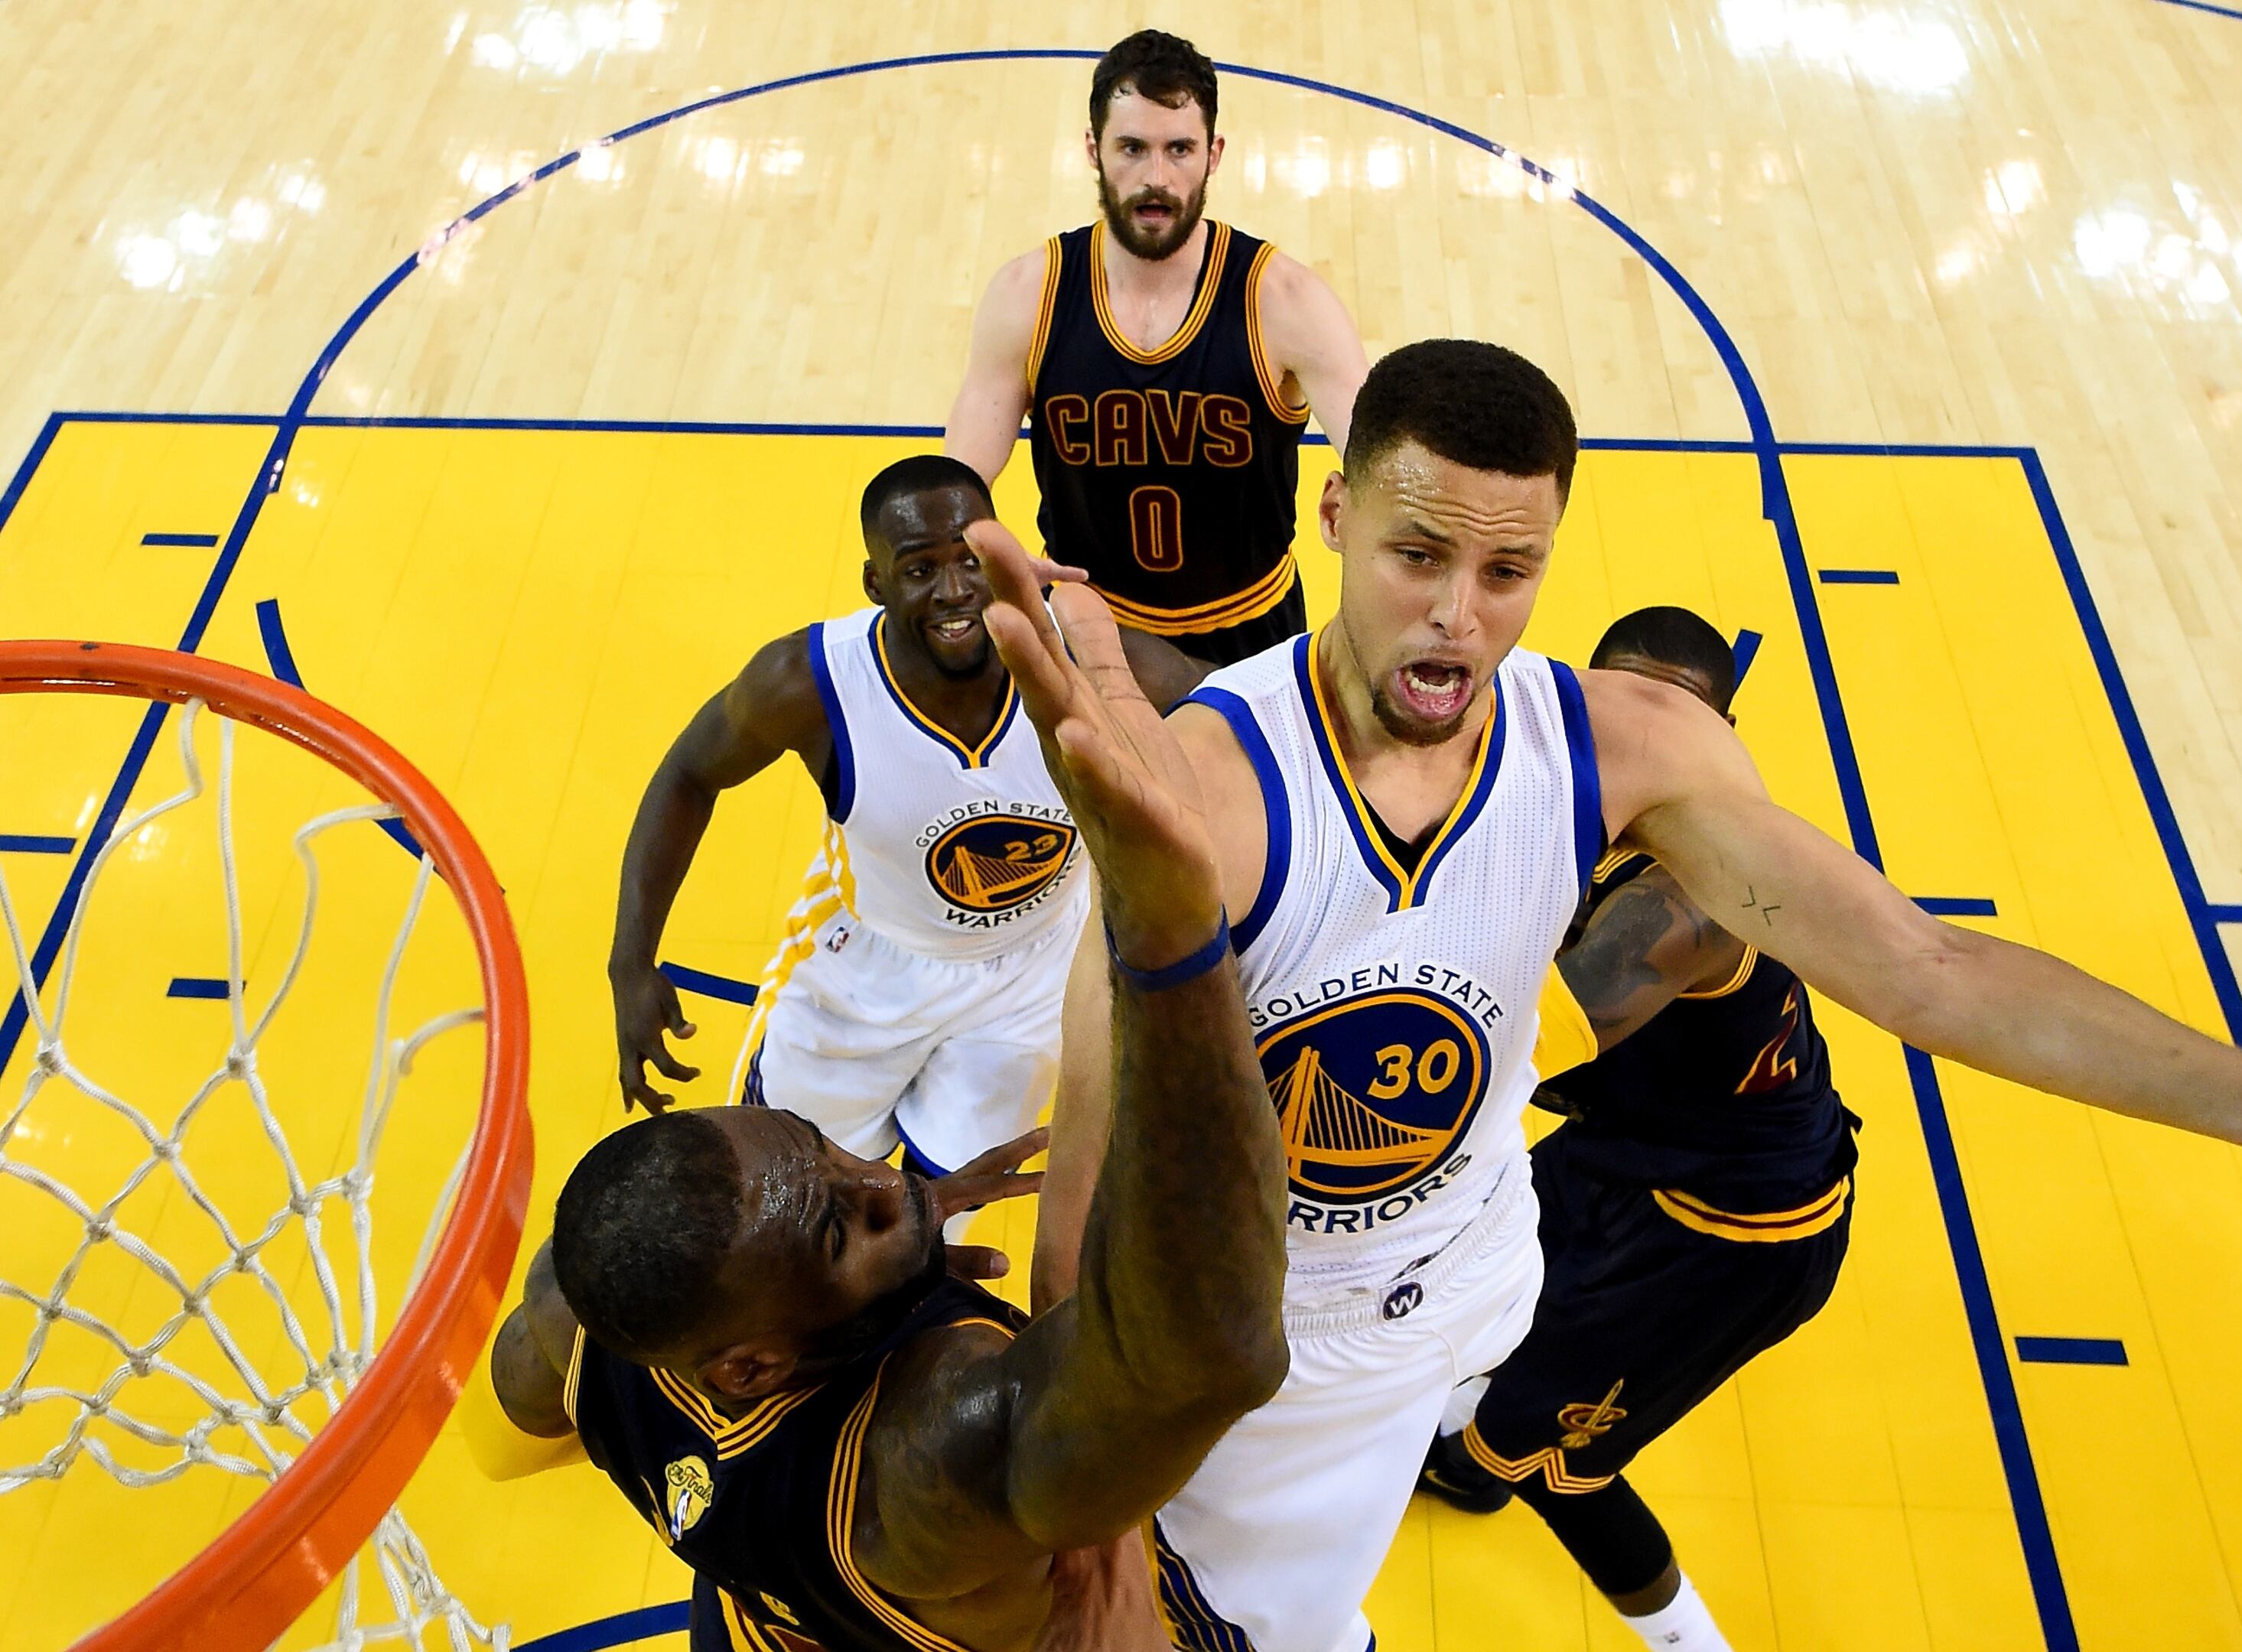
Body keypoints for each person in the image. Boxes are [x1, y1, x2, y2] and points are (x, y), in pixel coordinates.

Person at [1033, 338, 2242, 1652]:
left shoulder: (1624, 750)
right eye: (1419, 555)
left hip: (1471, 1262)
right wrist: (1088, 1511)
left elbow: (1926, 971)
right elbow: (1093, 1160)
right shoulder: (1209, 795)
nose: (1463, 615)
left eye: (1514, 568)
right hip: (1275, 1335)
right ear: (1335, 521)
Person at [465, 520, 1287, 1652]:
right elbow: (1216, 1354)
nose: (884, 1177)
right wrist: (1168, 941)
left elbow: (499, 1441)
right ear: (753, 1364)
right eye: (842, 1219)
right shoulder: (931, 1445)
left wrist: (865, 1270)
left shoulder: (582, 1315)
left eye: (831, 1151)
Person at [1411, 605, 1849, 1652]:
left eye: (1677, 715)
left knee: (1562, 1469)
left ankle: (1691, 1644)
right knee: (1457, 1265)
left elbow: (1511, 1067)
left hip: (1725, 1234)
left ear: (1722, 738)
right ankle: (1471, 1439)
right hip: (1636, 1148)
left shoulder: (1690, 898)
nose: (1642, 734)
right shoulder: (1568, 791)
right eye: (1622, 701)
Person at [607, 455, 1186, 1174]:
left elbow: (1245, 722)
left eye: (972, 560)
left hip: (1034, 975)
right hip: (865, 972)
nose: (954, 592)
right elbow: (689, 775)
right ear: (876, 584)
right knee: (784, 1191)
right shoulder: (809, 684)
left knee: (939, 1219)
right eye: (920, 571)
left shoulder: (1096, 666)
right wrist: (629, 962)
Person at [944, 30, 1368, 674]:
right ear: (1094, 149)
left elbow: (1382, 465)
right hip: (1090, 630)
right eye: (1132, 149)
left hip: (1252, 634)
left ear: (1213, 154)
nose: (1157, 179)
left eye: (1180, 150)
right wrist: (981, 547)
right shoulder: (1028, 296)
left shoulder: (1284, 301)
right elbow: (960, 482)